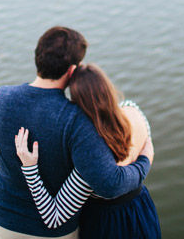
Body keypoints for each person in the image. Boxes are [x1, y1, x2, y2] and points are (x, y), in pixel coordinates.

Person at [0, 27, 154, 239]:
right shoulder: (77, 120)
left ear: (38, 57)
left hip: (3, 225)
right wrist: (144, 160)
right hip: (54, 233)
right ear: (72, 71)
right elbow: (110, 183)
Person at [14, 64, 161, 239]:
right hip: (141, 211)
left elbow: (53, 217)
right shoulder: (134, 111)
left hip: (105, 226)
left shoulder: (93, 158)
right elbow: (145, 143)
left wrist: (30, 169)